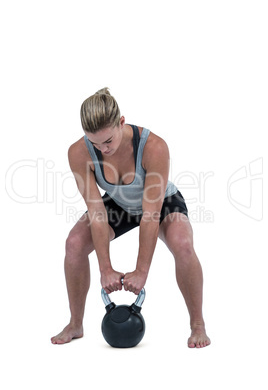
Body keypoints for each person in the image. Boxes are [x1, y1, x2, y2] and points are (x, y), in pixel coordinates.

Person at [51, 88, 211, 348]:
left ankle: (198, 324)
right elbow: (96, 211)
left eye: (108, 141)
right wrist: (106, 269)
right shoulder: (78, 152)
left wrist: (141, 271)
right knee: (74, 244)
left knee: (183, 244)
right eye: (95, 143)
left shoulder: (153, 147)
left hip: (161, 202)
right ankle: (75, 324)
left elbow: (151, 214)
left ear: (121, 122)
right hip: (119, 203)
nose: (103, 149)